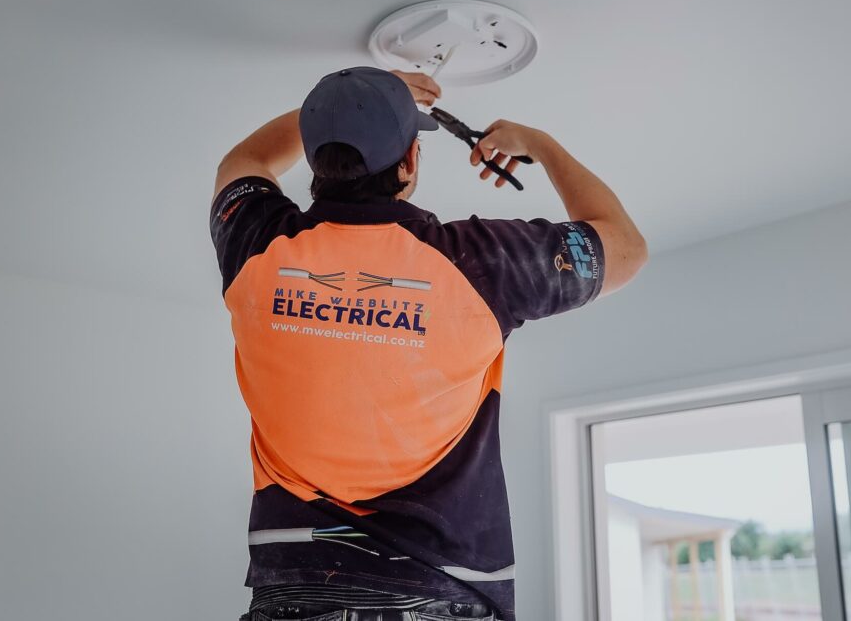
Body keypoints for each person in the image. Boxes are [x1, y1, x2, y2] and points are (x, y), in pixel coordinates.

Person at [210, 66, 647, 621]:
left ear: (317, 163)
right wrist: (541, 143)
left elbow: (242, 165)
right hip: (440, 586)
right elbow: (626, 249)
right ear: (411, 161)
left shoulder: (256, 248)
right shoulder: (483, 263)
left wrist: (347, 103)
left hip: (294, 586)